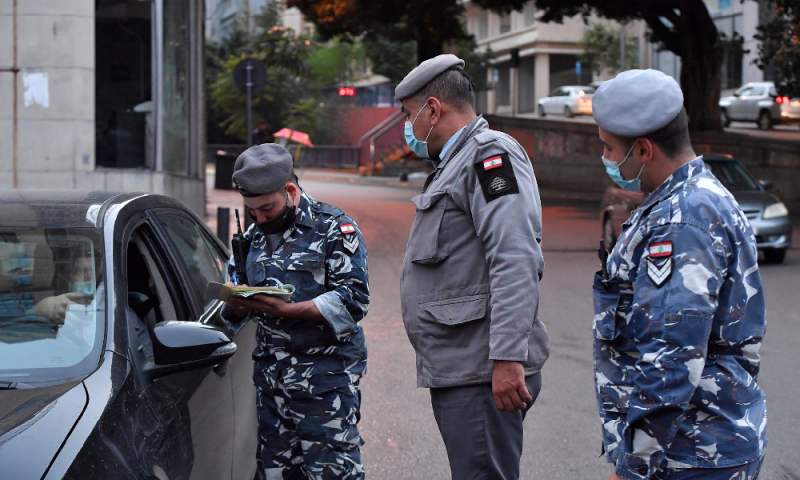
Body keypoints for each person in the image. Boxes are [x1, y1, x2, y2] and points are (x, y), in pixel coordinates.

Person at [591, 69, 767, 480]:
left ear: (644, 150)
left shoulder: (681, 221)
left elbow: (671, 356)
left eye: (609, 148)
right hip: (704, 445)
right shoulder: (696, 198)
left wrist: (633, 466)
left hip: (689, 455)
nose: (605, 159)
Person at [397, 54, 549, 480]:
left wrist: (506, 358)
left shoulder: (489, 156)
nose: (408, 128)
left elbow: (514, 255)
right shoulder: (456, 163)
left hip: (483, 371)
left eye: (410, 115)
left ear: (432, 109)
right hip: (463, 369)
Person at [221, 143, 369, 480]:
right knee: (278, 474)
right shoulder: (250, 240)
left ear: (290, 190)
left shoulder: (334, 228)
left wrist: (290, 310)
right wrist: (234, 305)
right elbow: (234, 303)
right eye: (252, 211)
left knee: (333, 473)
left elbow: (354, 300)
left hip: (324, 383)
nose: (260, 219)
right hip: (272, 385)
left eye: (267, 209)